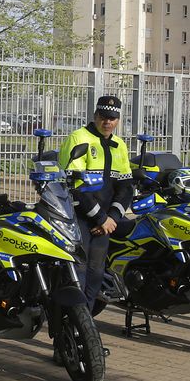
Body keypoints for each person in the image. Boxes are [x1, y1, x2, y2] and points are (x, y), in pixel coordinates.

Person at [58, 95, 135, 310]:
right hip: (80, 216)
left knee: (95, 274)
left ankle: (86, 326)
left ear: (118, 119)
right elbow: (75, 185)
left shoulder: (119, 144)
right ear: (95, 116)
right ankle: (71, 323)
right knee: (78, 272)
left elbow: (126, 186)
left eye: (112, 118)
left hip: (106, 221)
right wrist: (100, 217)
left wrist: (113, 217)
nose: (107, 122)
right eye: (103, 117)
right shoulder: (78, 138)